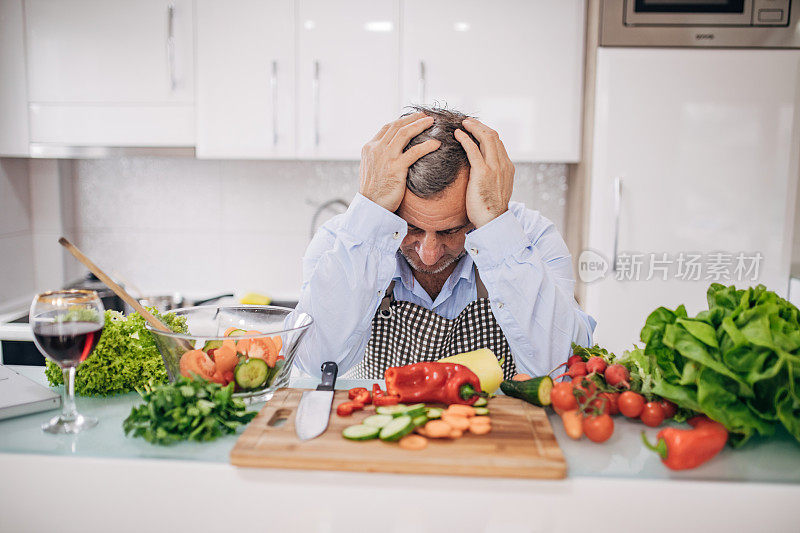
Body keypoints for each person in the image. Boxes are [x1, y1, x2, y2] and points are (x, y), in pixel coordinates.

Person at [292, 106, 595, 379]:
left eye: (452, 231)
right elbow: (316, 362)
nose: (428, 253)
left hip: (493, 434)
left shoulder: (529, 238)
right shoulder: (343, 241)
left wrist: (495, 226)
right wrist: (371, 217)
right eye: (410, 228)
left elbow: (563, 369)